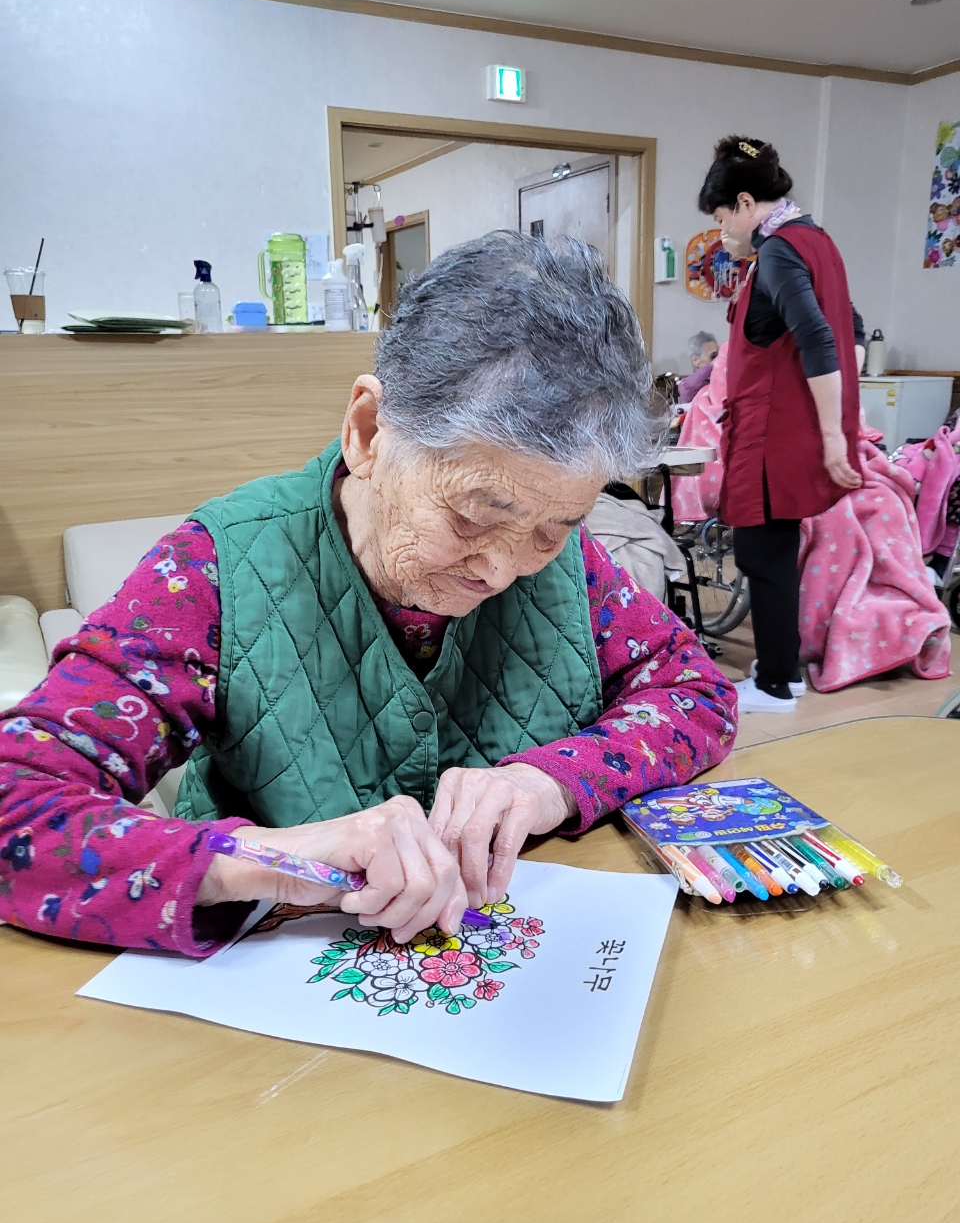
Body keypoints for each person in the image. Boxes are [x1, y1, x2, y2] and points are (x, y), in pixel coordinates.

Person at [0, 233, 737, 958]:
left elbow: (696, 693)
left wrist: (548, 781)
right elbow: (16, 806)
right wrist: (277, 860)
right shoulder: (215, 570)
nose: (503, 568)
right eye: (473, 517)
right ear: (367, 432)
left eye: (555, 528)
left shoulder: (565, 562)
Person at [697, 137, 866, 714]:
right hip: (790, 429)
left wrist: (833, 434)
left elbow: (819, 337)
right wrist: (836, 418)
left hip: (773, 434)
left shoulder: (777, 252)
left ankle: (774, 684)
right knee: (774, 553)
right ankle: (782, 671)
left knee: (761, 555)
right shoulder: (817, 241)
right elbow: (852, 330)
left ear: (746, 203)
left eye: (722, 217)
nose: (723, 230)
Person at [677, 331, 720, 406]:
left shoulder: (722, 379)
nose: (719, 360)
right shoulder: (688, 386)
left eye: (719, 355)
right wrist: (712, 365)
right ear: (695, 360)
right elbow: (686, 389)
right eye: (713, 357)